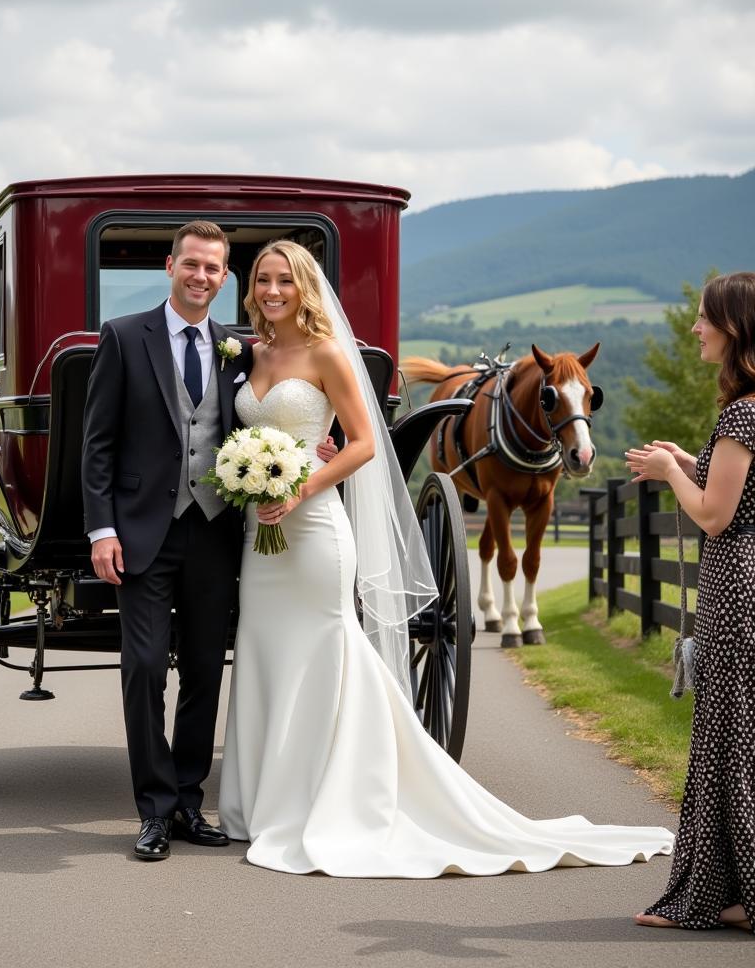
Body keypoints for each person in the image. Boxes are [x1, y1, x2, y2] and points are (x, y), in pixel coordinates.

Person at [217, 238, 675, 877]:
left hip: (315, 528)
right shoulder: (251, 354)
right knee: (265, 649)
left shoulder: (326, 353)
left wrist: (300, 487)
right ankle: (259, 800)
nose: (271, 290)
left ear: (305, 288)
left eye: (284, 281)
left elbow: (363, 444)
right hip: (259, 534)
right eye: (263, 279)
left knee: (324, 645)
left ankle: (335, 791)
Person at [81, 220, 335, 861]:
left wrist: (313, 453)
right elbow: (98, 444)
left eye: (213, 269)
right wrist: (102, 530)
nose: (201, 276)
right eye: (191, 264)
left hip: (219, 531)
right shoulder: (123, 336)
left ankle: (190, 803)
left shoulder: (240, 349)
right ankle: (153, 809)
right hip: (141, 534)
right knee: (142, 669)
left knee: (201, 671)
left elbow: (273, 415)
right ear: (170, 266)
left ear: (225, 279)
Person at [626, 271, 755, 933]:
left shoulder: (742, 412)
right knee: (740, 740)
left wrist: (673, 473)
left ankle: (717, 898)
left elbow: (713, 516)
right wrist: (688, 458)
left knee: (728, 742)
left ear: (733, 328)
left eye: (705, 318)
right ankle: (736, 894)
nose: (696, 329)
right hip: (745, 581)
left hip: (737, 587)